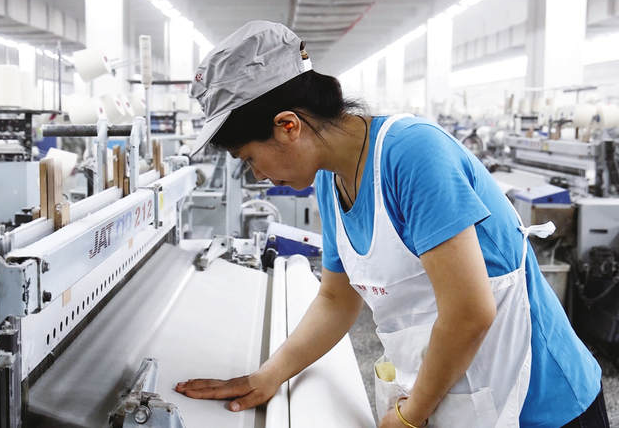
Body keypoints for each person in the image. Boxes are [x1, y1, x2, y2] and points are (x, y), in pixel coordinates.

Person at [174, 21, 607, 428]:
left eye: (250, 158)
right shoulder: (329, 180)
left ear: (288, 126)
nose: (258, 175)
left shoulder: (412, 155)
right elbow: (336, 299)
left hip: (544, 404)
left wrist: (411, 415)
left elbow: (469, 311)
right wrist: (270, 375)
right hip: (460, 397)